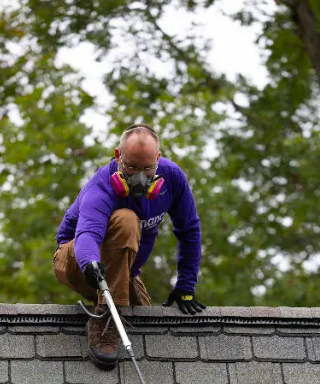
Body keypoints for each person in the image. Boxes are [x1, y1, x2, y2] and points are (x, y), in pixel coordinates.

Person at [53, 123, 206, 369]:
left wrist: (186, 285)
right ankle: (105, 321)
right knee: (126, 219)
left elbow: (189, 231)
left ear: (158, 158)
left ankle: (117, 304)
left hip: (125, 271)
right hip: (75, 260)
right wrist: (89, 262)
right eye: (132, 167)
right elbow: (87, 235)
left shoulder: (173, 178)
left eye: (147, 168)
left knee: (148, 328)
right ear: (118, 156)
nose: (139, 177)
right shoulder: (102, 186)